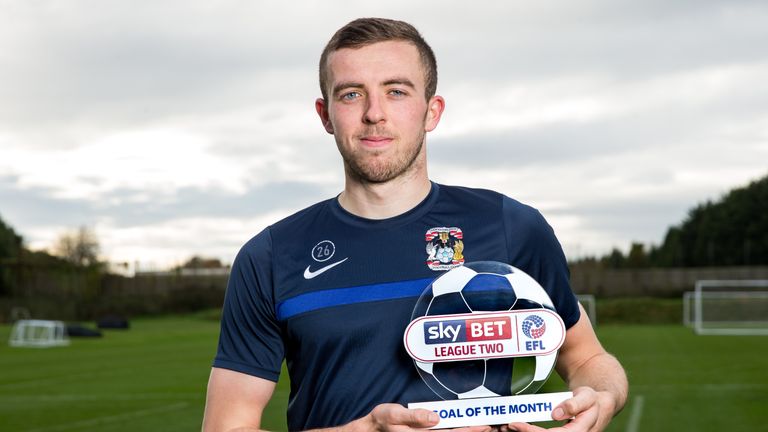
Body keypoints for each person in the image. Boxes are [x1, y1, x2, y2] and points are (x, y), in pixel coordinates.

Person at [202, 17, 627, 432]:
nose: (374, 113)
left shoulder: (511, 227)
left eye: (397, 91)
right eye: (351, 94)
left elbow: (587, 359)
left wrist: (602, 397)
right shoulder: (272, 256)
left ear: (432, 110)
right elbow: (226, 425)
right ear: (325, 114)